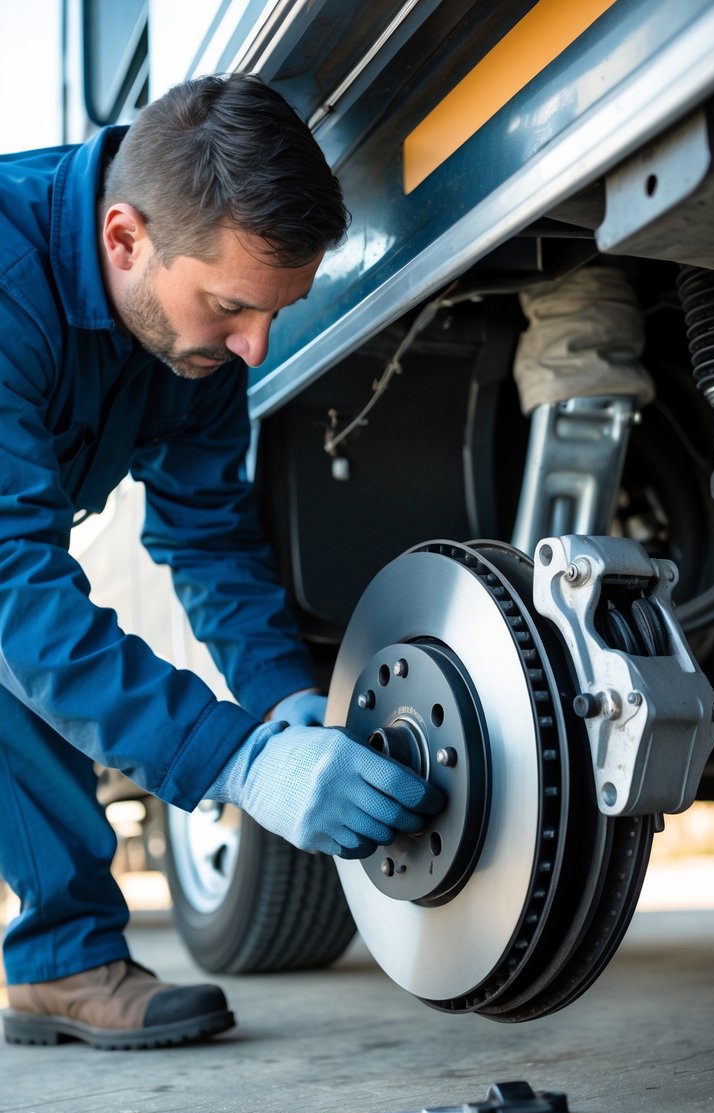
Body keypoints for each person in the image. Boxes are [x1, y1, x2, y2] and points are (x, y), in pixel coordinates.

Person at [0, 74, 442, 1050]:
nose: (255, 348)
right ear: (124, 238)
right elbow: (11, 586)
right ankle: (63, 956)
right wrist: (239, 762)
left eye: (274, 314)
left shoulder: (196, 341)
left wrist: (288, 704)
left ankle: (57, 963)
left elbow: (206, 533)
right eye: (233, 308)